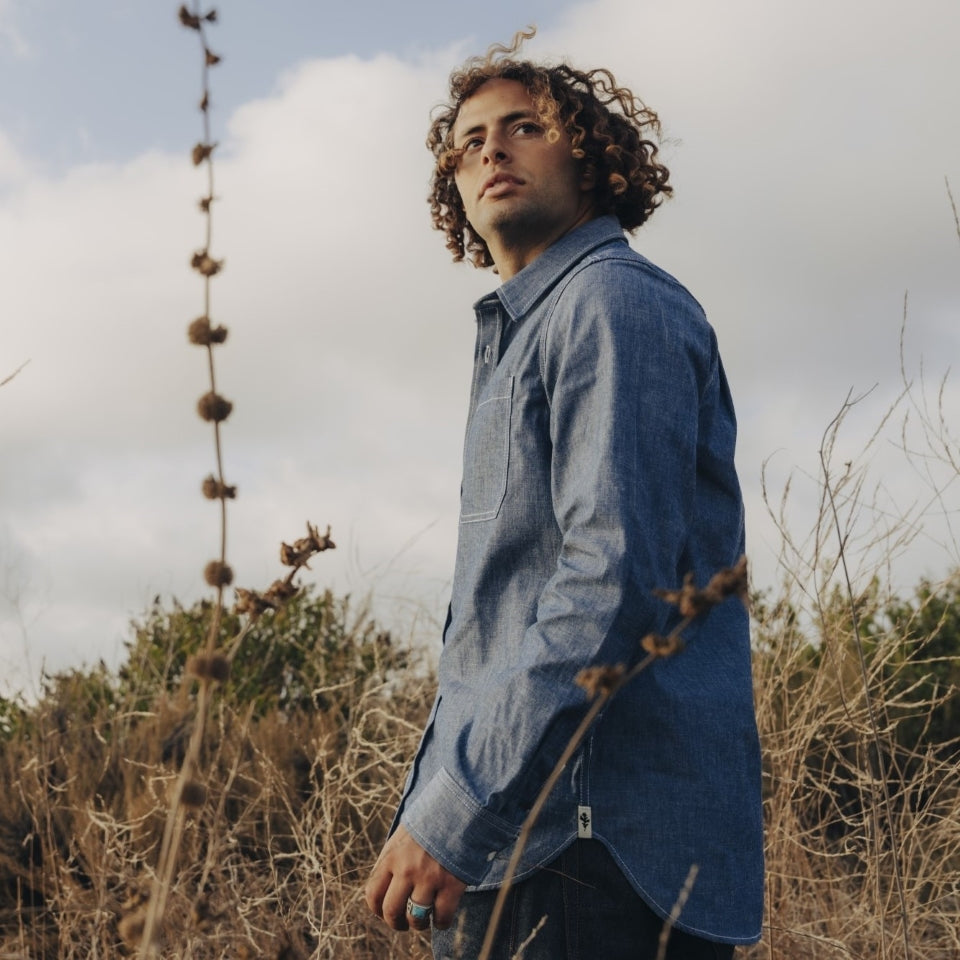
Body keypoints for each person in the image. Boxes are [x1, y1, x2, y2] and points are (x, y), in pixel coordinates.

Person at [365, 31, 764, 960]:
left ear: (590, 158)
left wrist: (458, 811)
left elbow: (611, 585)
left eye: (523, 127)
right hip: (535, 847)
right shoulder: (528, 331)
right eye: (468, 141)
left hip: (584, 849)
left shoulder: (611, 303)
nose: (491, 150)